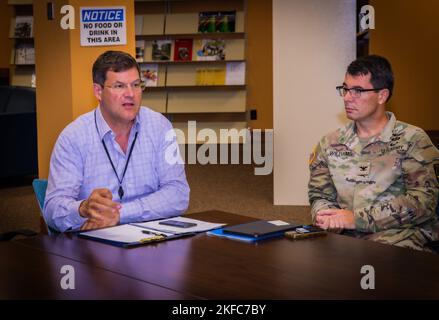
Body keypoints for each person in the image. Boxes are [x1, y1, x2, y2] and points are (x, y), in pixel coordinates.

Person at [44, 51, 189, 232]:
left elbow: (178, 194)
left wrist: (120, 213)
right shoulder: (74, 137)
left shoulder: (159, 126)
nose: (131, 94)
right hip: (95, 242)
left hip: (153, 237)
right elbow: (52, 210)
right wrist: (82, 209)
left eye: (136, 85)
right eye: (119, 86)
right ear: (98, 91)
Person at [308, 55, 439, 252]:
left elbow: (423, 202)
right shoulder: (329, 142)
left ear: (382, 95)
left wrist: (357, 219)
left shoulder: (413, 140)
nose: (347, 97)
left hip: (398, 236)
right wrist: (326, 215)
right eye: (345, 89)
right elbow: (319, 194)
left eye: (358, 91)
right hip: (344, 235)